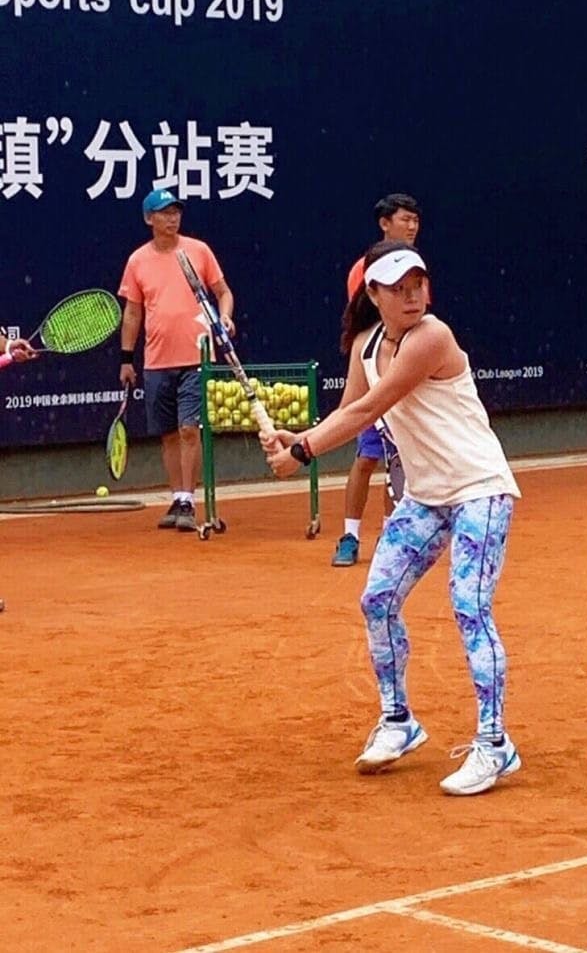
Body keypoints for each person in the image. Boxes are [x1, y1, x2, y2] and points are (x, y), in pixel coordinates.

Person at [262, 240, 522, 797]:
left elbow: (370, 408)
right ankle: (399, 720)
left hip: (480, 489)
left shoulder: (432, 337)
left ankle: (495, 742)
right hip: (426, 496)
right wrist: (298, 436)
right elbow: (349, 413)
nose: (412, 296)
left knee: (469, 607)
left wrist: (303, 452)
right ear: (373, 293)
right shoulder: (366, 346)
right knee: (377, 600)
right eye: (398, 289)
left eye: (417, 285)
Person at [118, 188, 235, 531]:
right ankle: (177, 496)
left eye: (176, 212)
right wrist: (126, 359)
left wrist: (224, 317)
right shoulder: (137, 261)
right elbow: (133, 314)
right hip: (157, 361)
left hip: (198, 356)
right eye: (165, 213)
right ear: (149, 219)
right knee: (169, 434)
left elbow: (223, 292)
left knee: (188, 429)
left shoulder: (198, 251)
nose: (172, 218)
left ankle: (188, 500)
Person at [332, 192, 422, 567]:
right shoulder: (365, 269)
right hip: (373, 374)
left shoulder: (417, 268)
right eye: (405, 219)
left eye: (415, 220)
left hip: (403, 378)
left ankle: (390, 534)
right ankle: (350, 536)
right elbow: (365, 324)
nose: (412, 226)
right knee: (368, 456)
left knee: (399, 459)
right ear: (385, 224)